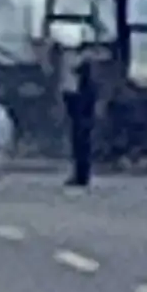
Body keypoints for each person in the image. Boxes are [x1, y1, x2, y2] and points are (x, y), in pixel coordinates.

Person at [65, 43, 98, 187]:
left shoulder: (85, 86)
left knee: (80, 144)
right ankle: (82, 174)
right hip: (84, 116)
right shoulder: (90, 85)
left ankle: (81, 175)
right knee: (82, 144)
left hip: (81, 117)